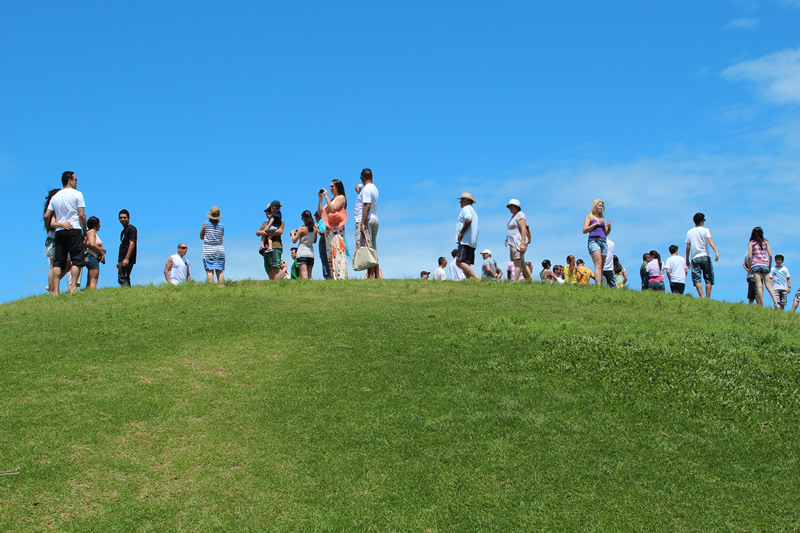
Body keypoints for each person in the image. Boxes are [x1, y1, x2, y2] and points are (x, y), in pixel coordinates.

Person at [44, 171, 87, 294]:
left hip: (60, 232)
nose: (76, 182)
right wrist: (84, 230)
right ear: (70, 180)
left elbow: (47, 215)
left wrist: (48, 229)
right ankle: (73, 287)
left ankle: (55, 291)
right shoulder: (77, 194)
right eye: (75, 179)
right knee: (77, 260)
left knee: (58, 262)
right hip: (74, 229)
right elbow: (81, 214)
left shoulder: (55, 197)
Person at [43, 188, 73, 294]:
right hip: (56, 237)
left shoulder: (52, 209)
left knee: (60, 265)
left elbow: (47, 220)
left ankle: (53, 287)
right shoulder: (55, 209)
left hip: (52, 237)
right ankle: (53, 289)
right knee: (55, 265)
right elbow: (49, 221)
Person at [318, 180, 349, 280]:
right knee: (330, 255)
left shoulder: (341, 198)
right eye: (330, 186)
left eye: (332, 186)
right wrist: (321, 199)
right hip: (329, 231)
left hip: (337, 230)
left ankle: (341, 277)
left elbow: (333, 209)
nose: (330, 188)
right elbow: (320, 212)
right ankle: (334, 277)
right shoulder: (330, 200)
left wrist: (327, 197)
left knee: (338, 253)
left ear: (337, 187)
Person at [685, 212, 719, 299]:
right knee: (708, 278)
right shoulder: (705, 230)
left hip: (695, 258)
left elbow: (688, 246)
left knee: (697, 278)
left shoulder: (690, 232)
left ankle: (701, 297)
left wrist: (687, 259)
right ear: (701, 221)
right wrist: (716, 251)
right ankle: (707, 298)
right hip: (705, 256)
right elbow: (709, 240)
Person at [356, 168, 381, 279]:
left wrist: (362, 223)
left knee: (367, 246)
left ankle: (371, 274)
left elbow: (367, 206)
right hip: (375, 219)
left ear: (362, 177)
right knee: (373, 247)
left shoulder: (366, 189)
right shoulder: (374, 188)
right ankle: (377, 274)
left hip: (368, 219)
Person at [582, 199, 611, 286]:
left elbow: (605, 233)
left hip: (603, 241)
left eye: (602, 206)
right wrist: (595, 224)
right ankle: (598, 285)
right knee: (598, 263)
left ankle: (600, 284)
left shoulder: (602, 219)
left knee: (601, 265)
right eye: (599, 205)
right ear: (595, 206)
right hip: (594, 241)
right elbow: (584, 230)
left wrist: (609, 228)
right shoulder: (589, 217)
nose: (601, 208)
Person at [747, 226, 777, 308]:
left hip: (755, 264)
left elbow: (749, 256)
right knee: (769, 286)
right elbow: (770, 255)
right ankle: (776, 303)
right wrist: (769, 265)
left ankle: (763, 305)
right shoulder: (766, 242)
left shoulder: (752, 242)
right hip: (765, 264)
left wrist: (750, 266)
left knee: (759, 285)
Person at [505, 199, 532, 282]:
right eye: (509, 206)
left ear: (517, 207)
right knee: (522, 262)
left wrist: (522, 243)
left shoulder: (520, 215)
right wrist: (507, 239)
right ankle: (531, 280)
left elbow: (523, 229)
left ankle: (515, 281)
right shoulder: (514, 216)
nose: (510, 208)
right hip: (512, 242)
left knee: (517, 262)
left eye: (512, 206)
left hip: (518, 242)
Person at [258, 201, 286, 280]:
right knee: (268, 268)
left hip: (275, 247)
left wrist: (265, 232)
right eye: (267, 211)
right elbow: (257, 232)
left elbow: (280, 231)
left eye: (269, 211)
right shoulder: (265, 223)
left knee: (275, 268)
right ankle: (273, 285)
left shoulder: (280, 222)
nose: (268, 213)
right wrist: (262, 232)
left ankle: (278, 285)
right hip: (266, 250)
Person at [455, 192, 480, 280]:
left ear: (466, 200)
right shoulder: (474, 212)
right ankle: (468, 280)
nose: (460, 202)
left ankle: (477, 278)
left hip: (465, 240)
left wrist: (461, 233)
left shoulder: (466, 209)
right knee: (466, 262)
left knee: (459, 262)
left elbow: (468, 220)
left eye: (461, 200)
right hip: (472, 241)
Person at [201, 206, 225, 285]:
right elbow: (221, 236)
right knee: (219, 270)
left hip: (208, 249)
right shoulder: (222, 226)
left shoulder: (206, 224)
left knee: (209, 270)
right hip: (220, 249)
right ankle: (221, 286)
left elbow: (201, 237)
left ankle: (211, 287)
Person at [290, 210, 317, 279]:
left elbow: (294, 240)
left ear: (304, 218)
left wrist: (293, 233)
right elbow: (314, 241)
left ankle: (306, 288)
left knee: (303, 273)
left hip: (302, 251)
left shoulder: (302, 229)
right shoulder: (314, 229)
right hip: (311, 253)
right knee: (310, 275)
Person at [84, 216, 106, 290]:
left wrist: (100, 249)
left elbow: (87, 244)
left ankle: (86, 294)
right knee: (94, 279)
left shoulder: (88, 232)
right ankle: (92, 294)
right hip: (92, 256)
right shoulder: (92, 232)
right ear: (97, 224)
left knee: (89, 280)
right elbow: (92, 244)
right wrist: (101, 253)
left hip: (90, 256)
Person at [117, 209, 137, 287]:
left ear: (129, 218)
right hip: (122, 258)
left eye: (124, 217)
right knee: (125, 277)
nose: (123, 219)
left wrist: (127, 258)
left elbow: (132, 243)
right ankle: (129, 294)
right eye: (121, 218)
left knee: (122, 278)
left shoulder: (131, 229)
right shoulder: (123, 231)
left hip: (127, 258)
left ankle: (127, 293)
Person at [313, 212, 331, 280]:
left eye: (316, 219)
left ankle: (328, 276)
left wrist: (317, 229)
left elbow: (324, 236)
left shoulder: (321, 223)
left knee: (325, 261)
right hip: (326, 244)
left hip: (325, 245)